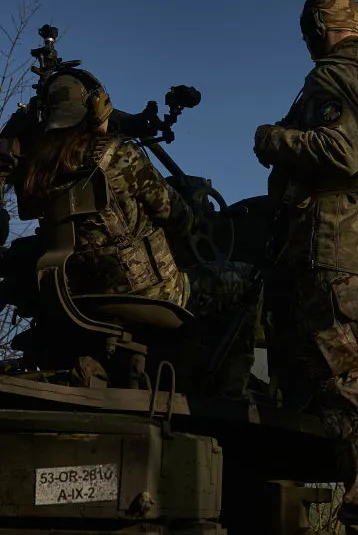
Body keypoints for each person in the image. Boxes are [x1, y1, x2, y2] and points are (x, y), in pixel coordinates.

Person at [254, 0, 358, 534]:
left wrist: (273, 140)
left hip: (336, 252)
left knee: (354, 398)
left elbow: (339, 152)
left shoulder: (331, 78)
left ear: (319, 29)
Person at [0, 72, 260, 400]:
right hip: (148, 291)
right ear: (98, 109)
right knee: (248, 282)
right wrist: (195, 217)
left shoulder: (38, 173)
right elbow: (176, 215)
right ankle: (229, 396)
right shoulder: (119, 156)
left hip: (74, 292)